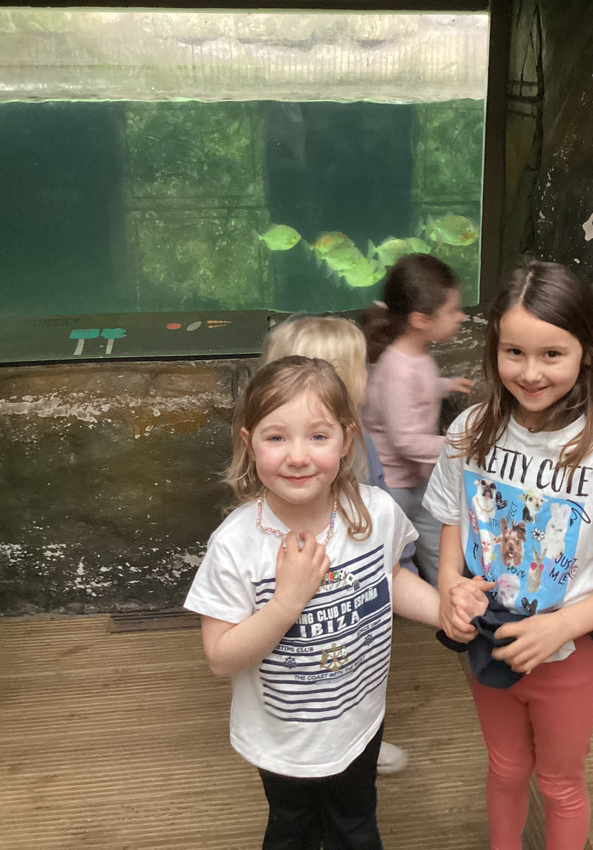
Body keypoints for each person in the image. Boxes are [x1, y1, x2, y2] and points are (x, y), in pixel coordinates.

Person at [424, 260, 593, 850]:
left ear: (592, 350)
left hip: (567, 659)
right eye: (514, 352)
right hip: (489, 644)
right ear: (494, 347)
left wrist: (560, 626)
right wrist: (450, 583)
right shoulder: (470, 430)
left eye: (552, 354)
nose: (530, 372)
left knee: (559, 785)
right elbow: (455, 514)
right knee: (506, 769)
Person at [184, 356, 440, 850]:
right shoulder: (236, 544)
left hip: (361, 719)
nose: (298, 456)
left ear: (346, 440)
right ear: (249, 443)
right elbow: (220, 656)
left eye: (318, 436)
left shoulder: (374, 512)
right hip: (283, 740)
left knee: (356, 823)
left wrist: (445, 612)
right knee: (293, 828)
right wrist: (288, 601)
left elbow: (390, 577)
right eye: (276, 437)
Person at [261, 314, 408, 776]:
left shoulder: (354, 437)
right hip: (320, 585)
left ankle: (358, 739)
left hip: (358, 582)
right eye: (361, 365)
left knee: (355, 664)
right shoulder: (327, 455)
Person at [361, 253, 474, 587]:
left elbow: (415, 392)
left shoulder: (417, 354)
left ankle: (449, 598)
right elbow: (406, 442)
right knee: (393, 557)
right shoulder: (396, 368)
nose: (461, 317)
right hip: (391, 486)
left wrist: (443, 385)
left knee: (440, 548)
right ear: (421, 319)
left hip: (419, 478)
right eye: (452, 311)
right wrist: (461, 445)